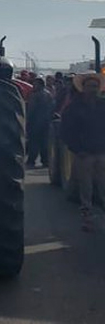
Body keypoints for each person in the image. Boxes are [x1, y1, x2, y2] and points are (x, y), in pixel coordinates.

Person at [62, 72, 105, 232]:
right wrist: (77, 149)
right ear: (83, 88)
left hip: (102, 152)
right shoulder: (74, 108)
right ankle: (87, 217)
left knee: (103, 185)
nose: (93, 89)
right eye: (90, 86)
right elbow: (67, 131)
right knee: (86, 187)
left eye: (95, 86)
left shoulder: (103, 106)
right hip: (84, 153)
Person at [26, 77, 56, 168]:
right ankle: (45, 161)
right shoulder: (49, 94)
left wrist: (27, 120)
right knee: (44, 143)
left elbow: (31, 109)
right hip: (46, 122)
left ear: (40, 85)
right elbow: (53, 107)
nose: (33, 86)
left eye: (35, 84)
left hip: (35, 122)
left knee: (33, 143)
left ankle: (31, 161)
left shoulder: (35, 96)